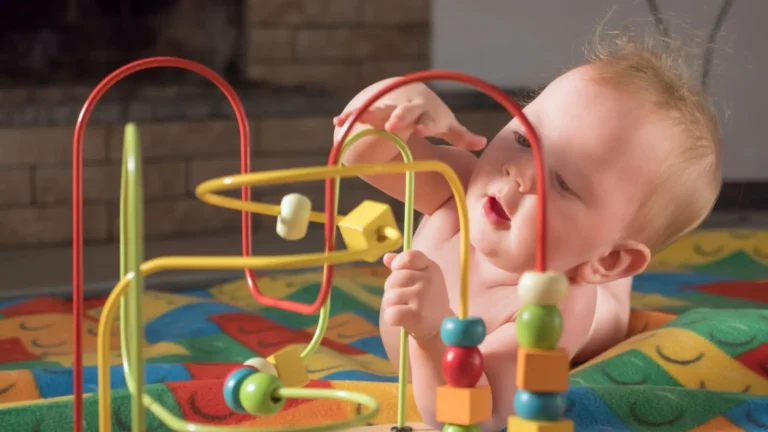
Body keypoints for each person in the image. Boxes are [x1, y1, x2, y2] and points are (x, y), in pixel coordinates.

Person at [332, 28, 722, 431]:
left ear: (609, 257)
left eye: (563, 182)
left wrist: (433, 333)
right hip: (581, 251)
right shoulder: (460, 187)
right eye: (522, 137)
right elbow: (359, 149)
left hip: (588, 294)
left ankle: (613, 283)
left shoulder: (551, 310)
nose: (518, 171)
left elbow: (473, 416)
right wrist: (398, 102)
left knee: (603, 303)